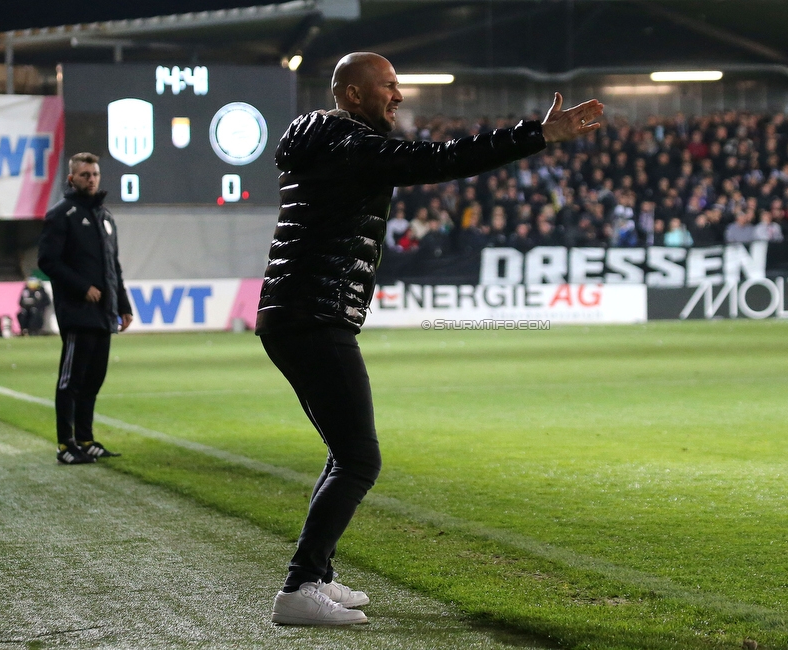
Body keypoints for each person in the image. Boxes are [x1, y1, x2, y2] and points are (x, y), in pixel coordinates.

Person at [256, 52, 602, 627]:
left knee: (347, 453)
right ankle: (298, 588)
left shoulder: (327, 143)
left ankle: (314, 576)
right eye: (387, 86)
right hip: (312, 316)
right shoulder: (349, 146)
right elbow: (440, 160)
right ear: (351, 94)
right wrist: (536, 136)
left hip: (297, 314)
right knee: (360, 458)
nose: (397, 96)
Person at [37, 152, 133, 465]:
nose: (91, 179)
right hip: (77, 312)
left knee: (94, 380)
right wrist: (82, 287)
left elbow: (112, 267)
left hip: (104, 313)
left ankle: (86, 439)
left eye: (94, 174)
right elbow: (48, 261)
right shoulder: (61, 214)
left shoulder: (105, 217)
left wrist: (124, 305)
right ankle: (65, 444)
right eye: (84, 175)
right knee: (71, 381)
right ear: (71, 179)